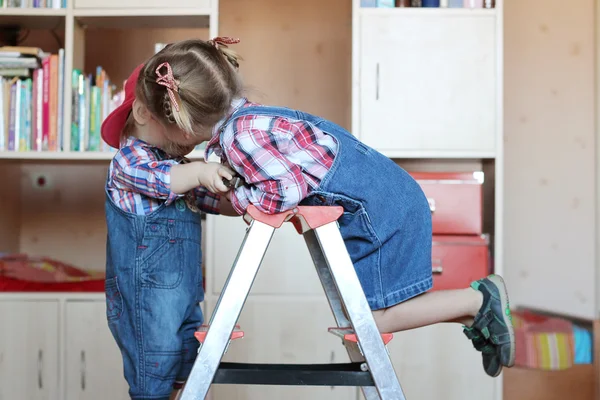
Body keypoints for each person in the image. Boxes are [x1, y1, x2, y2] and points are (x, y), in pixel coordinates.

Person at [100, 44, 241, 399]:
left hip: (184, 302)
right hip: (146, 309)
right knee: (153, 385)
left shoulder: (181, 167)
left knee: (189, 377)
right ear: (144, 113)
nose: (190, 144)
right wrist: (201, 171)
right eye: (184, 133)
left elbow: (211, 198)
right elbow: (165, 180)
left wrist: (243, 201)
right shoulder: (129, 162)